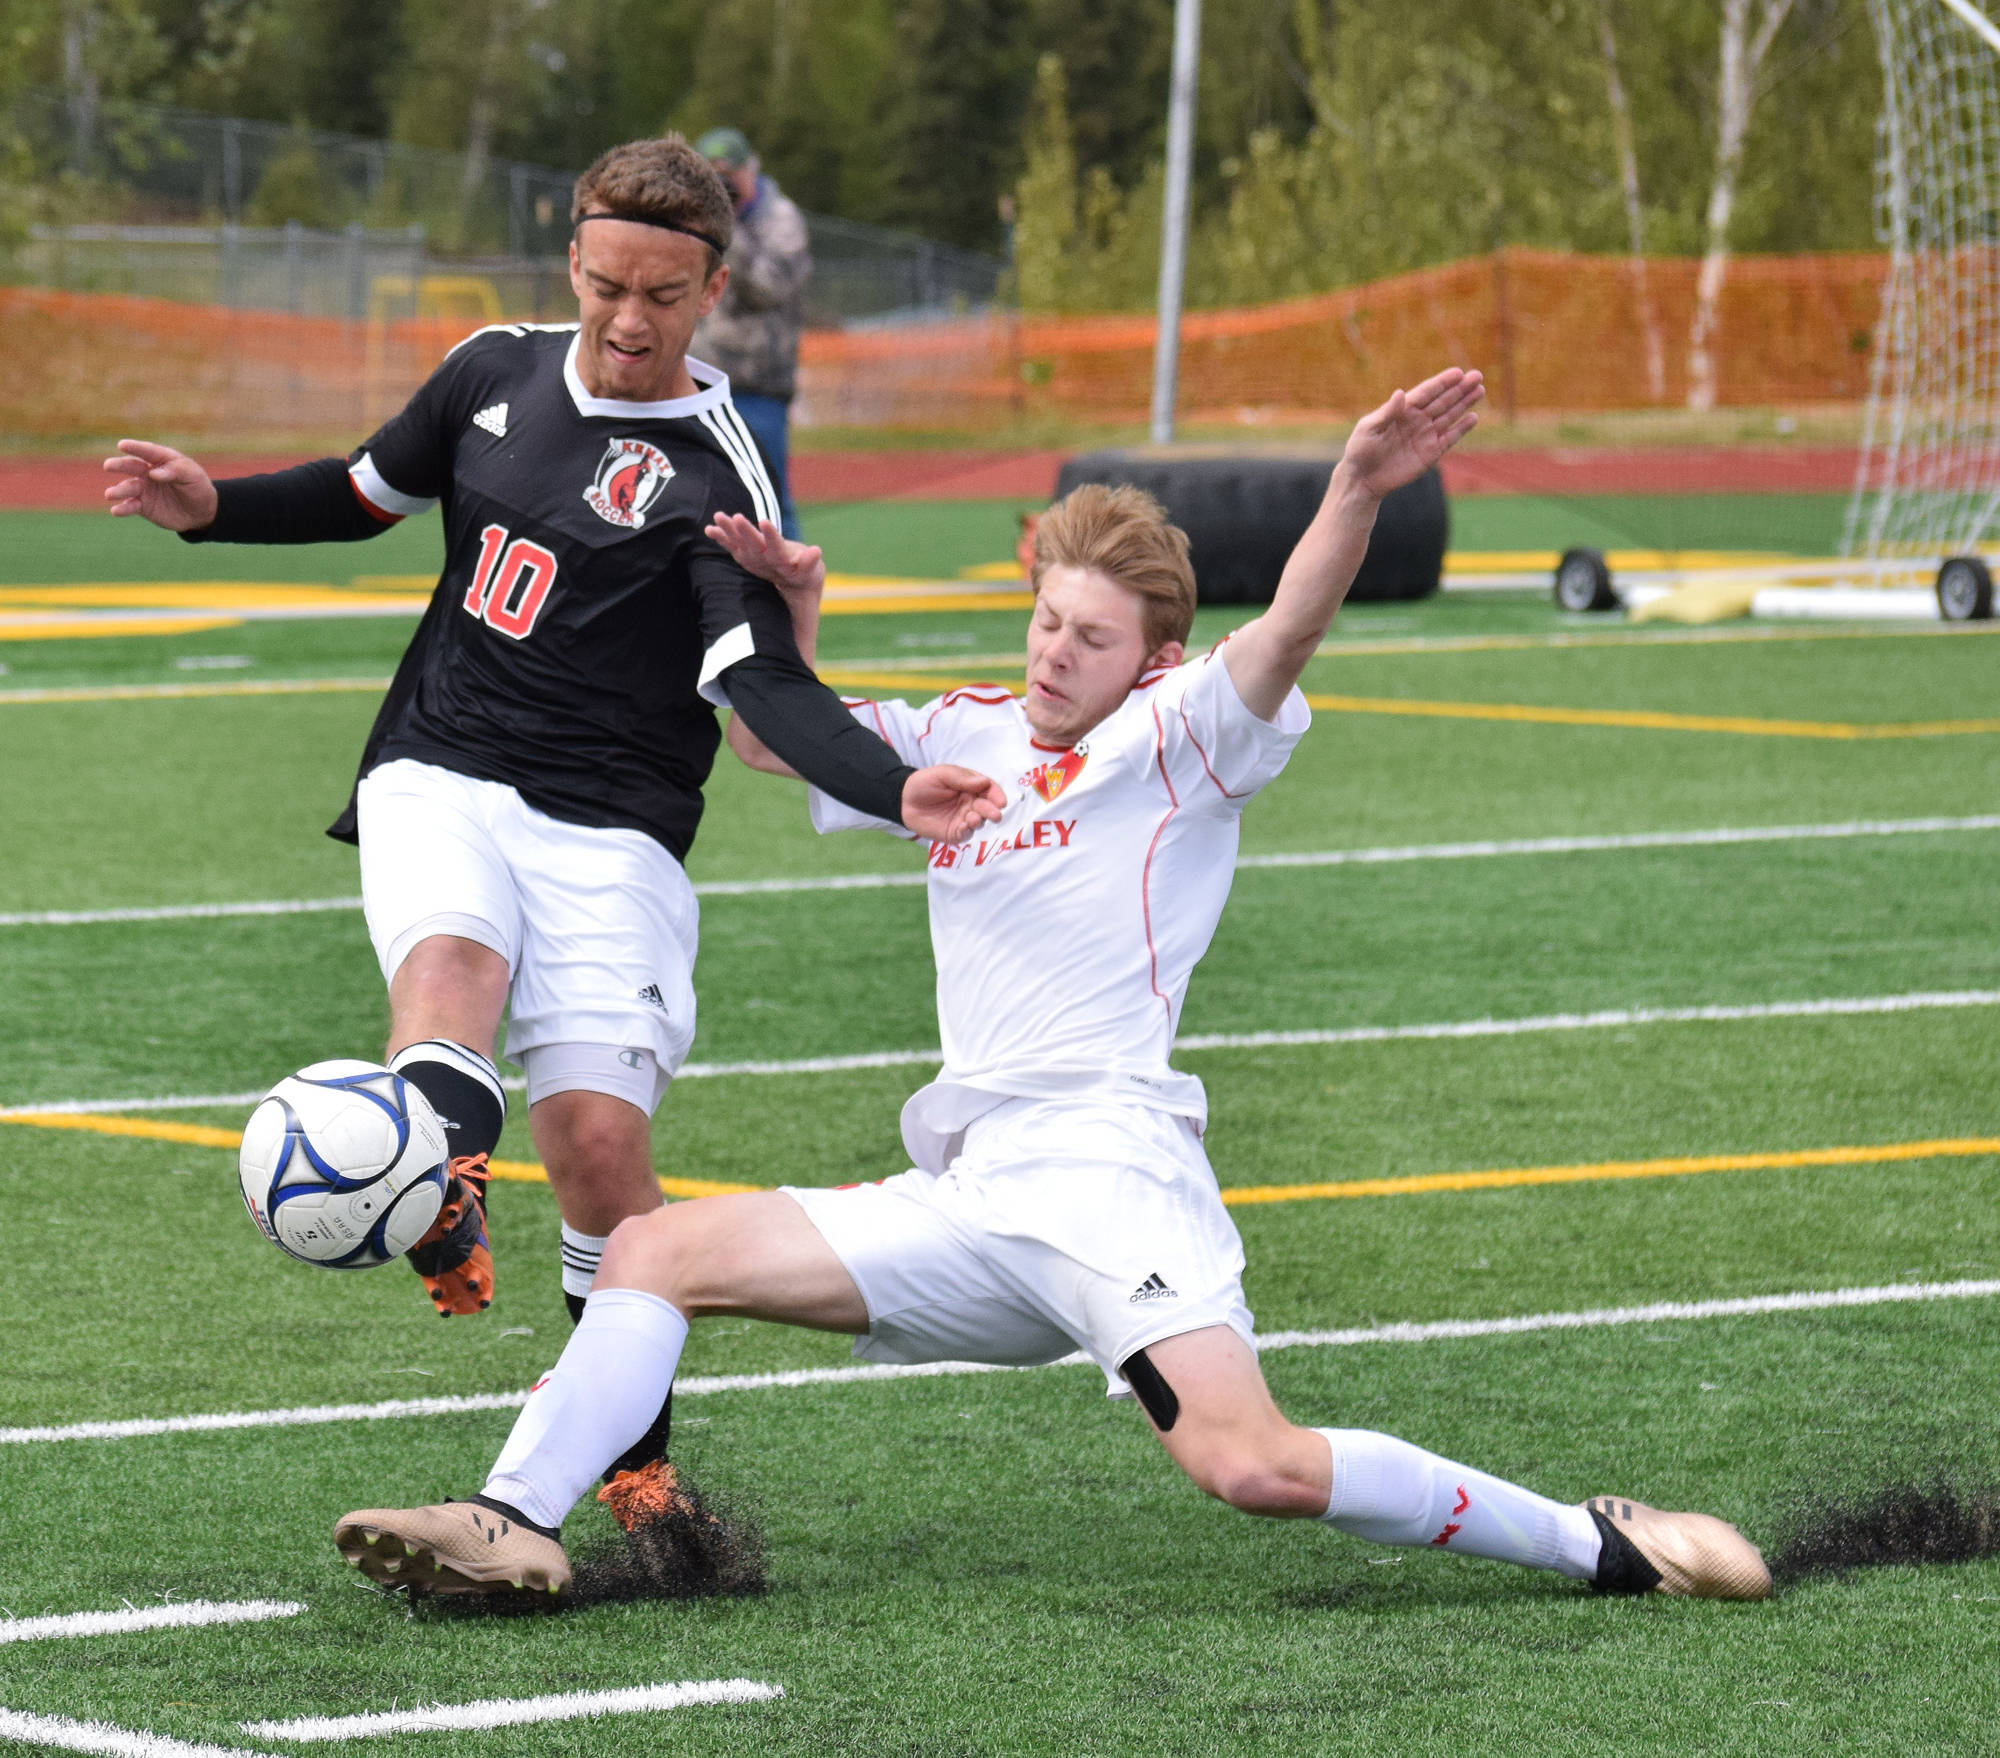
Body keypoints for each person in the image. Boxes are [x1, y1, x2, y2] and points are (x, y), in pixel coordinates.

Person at [331, 367, 1771, 1605]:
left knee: (1246, 1462)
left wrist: (1357, 482)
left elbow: (1288, 633)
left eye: (1089, 637)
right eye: (1044, 620)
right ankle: (511, 1521)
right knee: (649, 1253)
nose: (1053, 652)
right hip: (967, 1192)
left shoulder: (1188, 734)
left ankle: (1597, 1541)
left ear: (1150, 657)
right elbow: (780, 742)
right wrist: (801, 609)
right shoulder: (964, 728)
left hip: (1107, 1178)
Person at [103, 135, 1001, 1500]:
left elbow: (759, 684)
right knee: (450, 973)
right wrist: (212, 507)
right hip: (441, 766)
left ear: (710, 292)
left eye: (662, 295)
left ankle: (633, 1463)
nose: (629, 321)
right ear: (572, 263)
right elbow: (364, 492)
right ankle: (441, 1188)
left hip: (613, 829)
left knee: (596, 1148)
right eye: (605, 286)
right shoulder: (491, 371)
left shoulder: (722, 478)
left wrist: (887, 783)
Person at [692, 127, 810, 540]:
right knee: (697, 498)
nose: (722, 184)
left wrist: (726, 229)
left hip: (758, 387)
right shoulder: (692, 219)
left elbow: (769, 289)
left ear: (752, 168)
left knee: (769, 501)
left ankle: (792, 600)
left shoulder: (781, 219)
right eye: (712, 175)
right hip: (696, 384)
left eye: (730, 174)